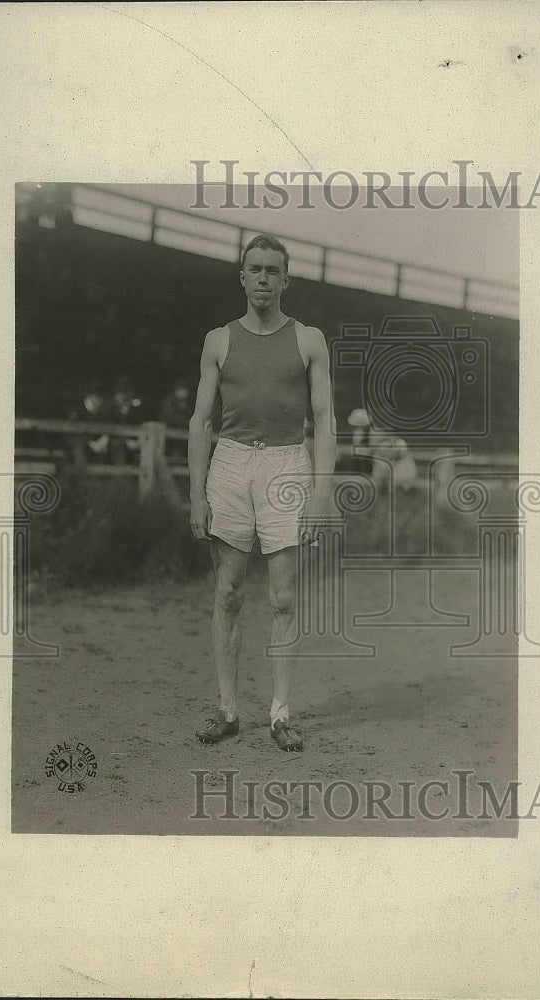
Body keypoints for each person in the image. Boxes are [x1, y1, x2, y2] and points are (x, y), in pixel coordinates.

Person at [188, 234, 336, 752]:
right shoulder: (219, 340)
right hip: (229, 464)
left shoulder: (309, 340)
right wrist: (195, 494)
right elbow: (200, 420)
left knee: (283, 597)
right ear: (243, 276)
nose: (264, 279)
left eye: (274, 271)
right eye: (256, 270)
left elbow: (324, 422)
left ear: (286, 279)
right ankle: (228, 709)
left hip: (286, 465)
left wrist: (320, 496)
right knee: (227, 593)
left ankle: (279, 713)